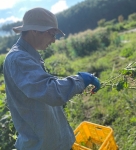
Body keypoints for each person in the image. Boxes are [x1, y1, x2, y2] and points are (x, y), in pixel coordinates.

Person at [3, 7, 100, 150]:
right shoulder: (18, 58)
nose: (54, 40)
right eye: (51, 33)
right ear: (35, 31)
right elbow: (51, 92)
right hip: (41, 145)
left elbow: (43, 87)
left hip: (51, 141)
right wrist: (80, 80)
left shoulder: (28, 55)